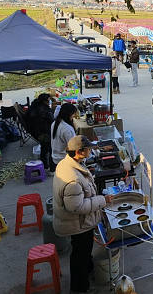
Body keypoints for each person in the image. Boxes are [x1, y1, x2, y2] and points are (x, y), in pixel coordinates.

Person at [52, 135, 113, 293]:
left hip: (75, 221)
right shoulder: (73, 180)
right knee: (80, 255)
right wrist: (102, 200)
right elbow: (77, 207)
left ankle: (88, 271)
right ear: (79, 152)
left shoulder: (67, 163)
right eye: (88, 149)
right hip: (77, 224)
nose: (90, 151)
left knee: (83, 252)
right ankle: (80, 288)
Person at [27, 93, 54, 169]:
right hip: (42, 133)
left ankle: (45, 164)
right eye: (49, 100)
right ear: (44, 101)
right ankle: (50, 167)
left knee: (44, 148)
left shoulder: (36, 106)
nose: (50, 102)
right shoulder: (43, 111)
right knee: (49, 147)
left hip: (37, 131)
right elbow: (52, 121)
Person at [50, 103, 77, 172]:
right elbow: (74, 147)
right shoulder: (67, 129)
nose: (74, 116)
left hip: (55, 157)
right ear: (69, 114)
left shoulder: (55, 123)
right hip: (64, 159)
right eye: (73, 114)